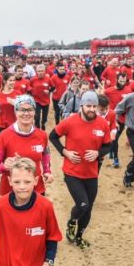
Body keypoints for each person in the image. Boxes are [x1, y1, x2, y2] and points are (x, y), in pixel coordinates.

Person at [48, 91, 111, 249]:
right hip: (72, 172)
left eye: (94, 106)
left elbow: (109, 145)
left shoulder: (102, 124)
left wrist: (98, 153)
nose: (92, 109)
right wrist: (65, 152)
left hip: (91, 173)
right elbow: (52, 136)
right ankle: (72, 221)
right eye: (88, 106)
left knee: (89, 208)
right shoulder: (70, 122)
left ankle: (79, 236)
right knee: (82, 205)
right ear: (81, 106)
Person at [0, 95, 53, 196]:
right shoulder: (4, 135)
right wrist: (4, 166)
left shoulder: (42, 135)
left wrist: (47, 171)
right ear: (15, 112)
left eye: (30, 109)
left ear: (34, 112)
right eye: (22, 110)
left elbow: (45, 154)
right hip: (11, 192)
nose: (26, 113)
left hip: (36, 190)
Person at [29, 64, 54, 130]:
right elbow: (29, 88)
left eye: (42, 71)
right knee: (36, 116)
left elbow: (53, 87)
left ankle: (43, 123)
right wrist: (32, 92)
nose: (40, 73)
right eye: (39, 71)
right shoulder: (32, 79)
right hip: (36, 100)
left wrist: (48, 91)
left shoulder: (48, 79)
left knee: (45, 117)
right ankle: (37, 128)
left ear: (45, 71)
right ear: (36, 71)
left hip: (45, 101)